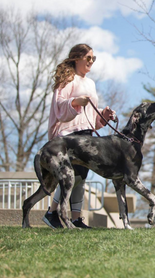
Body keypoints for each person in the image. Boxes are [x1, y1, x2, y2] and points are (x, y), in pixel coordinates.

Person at [42, 43, 116, 229]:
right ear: (76, 58)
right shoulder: (67, 78)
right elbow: (59, 105)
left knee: (81, 177)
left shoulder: (90, 83)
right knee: (71, 176)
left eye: (93, 58)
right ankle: (52, 213)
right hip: (68, 136)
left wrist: (103, 115)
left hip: (86, 134)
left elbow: (89, 115)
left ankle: (76, 218)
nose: (91, 61)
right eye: (88, 58)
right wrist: (76, 101)